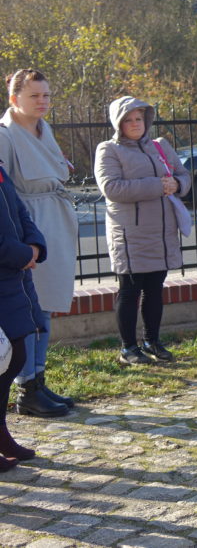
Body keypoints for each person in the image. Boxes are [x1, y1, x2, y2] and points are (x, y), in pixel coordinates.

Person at [0, 69, 76, 418]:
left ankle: (38, 380)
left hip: (51, 223)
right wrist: (22, 243)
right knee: (30, 310)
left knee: (44, 309)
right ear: (15, 99)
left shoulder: (43, 129)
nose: (43, 102)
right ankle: (26, 387)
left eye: (46, 95)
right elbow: (6, 192)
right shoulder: (5, 134)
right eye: (34, 96)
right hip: (28, 225)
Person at [95, 96, 191, 365]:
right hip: (130, 232)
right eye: (128, 119)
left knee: (155, 289)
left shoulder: (160, 146)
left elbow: (183, 175)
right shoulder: (109, 150)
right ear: (118, 123)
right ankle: (128, 347)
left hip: (162, 230)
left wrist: (177, 185)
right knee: (130, 290)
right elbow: (111, 188)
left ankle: (152, 340)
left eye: (138, 118)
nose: (135, 124)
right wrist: (158, 185)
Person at [0, 159, 47, 470]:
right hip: (8, 266)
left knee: (14, 354)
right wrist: (22, 254)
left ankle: (0, 431)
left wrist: (34, 246)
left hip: (13, 275)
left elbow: (19, 210)